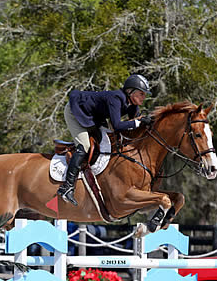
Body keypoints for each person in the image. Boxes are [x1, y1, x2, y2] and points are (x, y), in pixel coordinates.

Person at [57, 74, 152, 206]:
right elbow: (118, 125)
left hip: (93, 117)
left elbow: (135, 122)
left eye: (144, 94)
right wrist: (138, 122)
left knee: (109, 140)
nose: (144, 97)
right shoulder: (116, 98)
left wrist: (147, 122)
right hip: (76, 111)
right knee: (85, 145)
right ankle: (67, 187)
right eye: (141, 93)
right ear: (130, 91)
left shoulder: (132, 104)